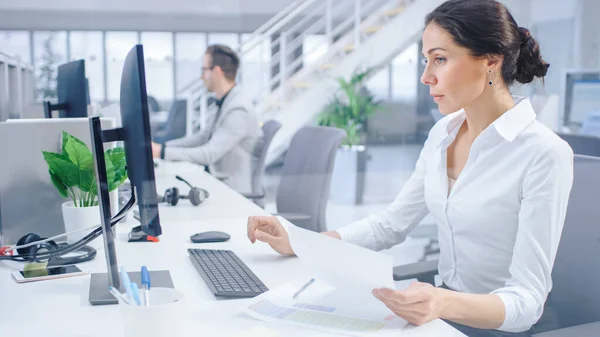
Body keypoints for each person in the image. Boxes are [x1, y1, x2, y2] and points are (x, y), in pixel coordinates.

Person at [246, 0, 574, 336]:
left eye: (440, 59)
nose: (425, 77)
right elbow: (390, 225)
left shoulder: (544, 154)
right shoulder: (442, 134)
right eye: (426, 60)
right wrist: (302, 242)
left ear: (491, 60)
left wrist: (444, 302)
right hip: (438, 318)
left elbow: (528, 302)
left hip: (493, 327)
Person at [152, 44, 263, 194]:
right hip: (219, 182)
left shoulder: (238, 109)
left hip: (234, 191)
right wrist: (162, 147)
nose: (201, 76)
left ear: (217, 71)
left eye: (204, 70)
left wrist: (162, 152)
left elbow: (209, 154)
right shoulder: (226, 100)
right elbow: (202, 138)